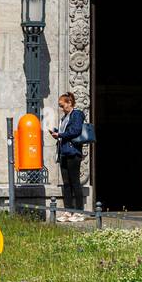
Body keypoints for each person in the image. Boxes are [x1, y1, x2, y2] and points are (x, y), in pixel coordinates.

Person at [51, 92, 87, 222]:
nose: (62, 108)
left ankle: (79, 212)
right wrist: (57, 132)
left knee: (75, 182)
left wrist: (60, 135)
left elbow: (76, 130)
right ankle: (68, 211)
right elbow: (67, 131)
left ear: (69, 103)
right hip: (64, 152)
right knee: (66, 184)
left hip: (73, 152)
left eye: (62, 105)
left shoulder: (77, 114)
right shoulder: (65, 117)